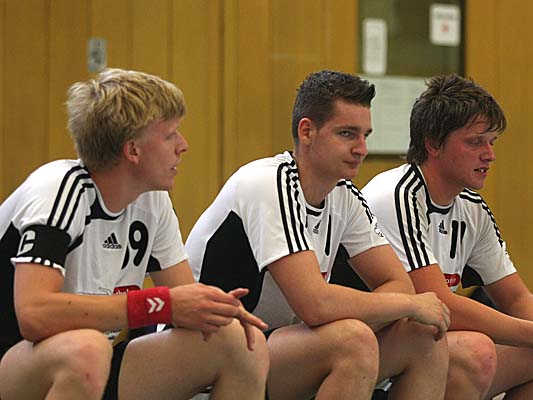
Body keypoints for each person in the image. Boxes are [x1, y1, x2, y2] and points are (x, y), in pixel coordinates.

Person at [0, 68, 269, 400]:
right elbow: (34, 314)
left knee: (238, 340)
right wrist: (156, 305)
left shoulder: (151, 200)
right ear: (133, 150)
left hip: (91, 361)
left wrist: (213, 309)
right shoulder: (57, 189)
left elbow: (183, 303)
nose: (183, 145)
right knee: (88, 348)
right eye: (170, 135)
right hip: (18, 361)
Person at [185, 70, 451, 400]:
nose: (361, 148)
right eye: (347, 134)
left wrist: (401, 304)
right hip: (209, 352)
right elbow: (314, 305)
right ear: (307, 131)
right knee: (352, 340)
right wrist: (407, 305)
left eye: (365, 135)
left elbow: (398, 283)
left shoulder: (344, 195)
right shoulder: (266, 183)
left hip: (275, 346)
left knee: (423, 335)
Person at [360, 73, 533, 399]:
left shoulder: (471, 206)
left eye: (492, 142)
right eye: (475, 142)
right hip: (378, 356)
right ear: (433, 143)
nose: (490, 154)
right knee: (477, 352)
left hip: (428, 345)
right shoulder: (395, 195)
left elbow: (516, 298)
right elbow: (439, 302)